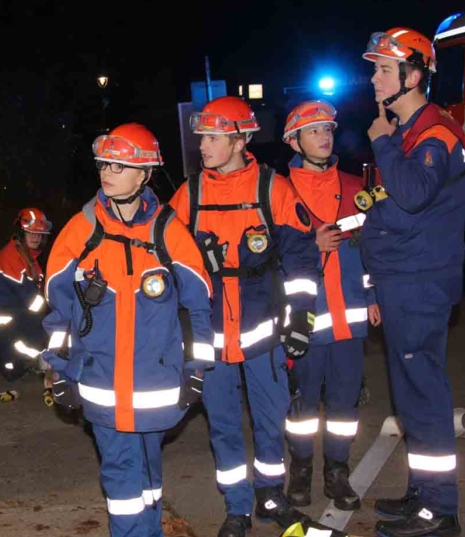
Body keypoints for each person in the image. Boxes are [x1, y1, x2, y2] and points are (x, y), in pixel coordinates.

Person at [41, 123, 214, 537]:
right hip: (100, 382)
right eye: (105, 164)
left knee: (149, 476)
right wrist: (58, 369)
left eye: (120, 166)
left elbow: (197, 310)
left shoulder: (169, 232)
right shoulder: (81, 229)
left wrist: (196, 369)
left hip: (157, 383)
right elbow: (58, 311)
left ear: (144, 175)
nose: (107, 172)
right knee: (122, 479)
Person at [169, 96, 319, 537]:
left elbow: (302, 262)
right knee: (223, 425)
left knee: (270, 420)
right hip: (212, 336)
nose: (203, 146)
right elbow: (166, 260)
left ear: (240, 140)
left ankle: (270, 494)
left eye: (213, 138)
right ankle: (236, 507)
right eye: (202, 138)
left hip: (262, 334)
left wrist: (301, 320)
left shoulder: (273, 189)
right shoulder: (189, 194)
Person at [361, 27, 465, 537]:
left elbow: (409, 195)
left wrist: (382, 142)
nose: (373, 78)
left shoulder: (434, 134)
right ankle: (423, 495)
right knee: (410, 399)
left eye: (383, 69)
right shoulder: (411, 132)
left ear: (412, 75)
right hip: (401, 281)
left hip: (419, 283)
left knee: (424, 398)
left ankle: (441, 512)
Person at [281, 99, 381, 510]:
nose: (324, 137)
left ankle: (337, 473)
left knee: (343, 405)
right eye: (314, 131)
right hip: (305, 317)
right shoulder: (279, 190)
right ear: (295, 140)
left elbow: (370, 251)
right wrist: (311, 244)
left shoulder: (356, 188)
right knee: (302, 405)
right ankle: (300, 470)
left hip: (350, 315)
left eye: (328, 130)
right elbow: (268, 254)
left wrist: (373, 297)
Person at [0, 208, 52, 381]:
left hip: (11, 313)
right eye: (30, 233)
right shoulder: (12, 256)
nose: (35, 238)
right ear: (21, 233)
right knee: (14, 368)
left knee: (41, 328)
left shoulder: (26, 256)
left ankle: (14, 358)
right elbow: (33, 300)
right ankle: (6, 361)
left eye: (39, 234)